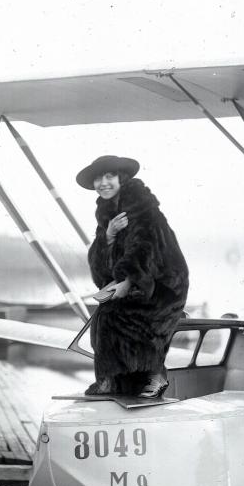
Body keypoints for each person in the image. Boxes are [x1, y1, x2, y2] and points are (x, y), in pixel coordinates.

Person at [76, 155, 189, 398]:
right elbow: (101, 271)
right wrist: (108, 236)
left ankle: (156, 375)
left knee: (119, 318)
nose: (103, 183)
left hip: (164, 285)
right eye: (98, 178)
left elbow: (147, 250)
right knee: (104, 317)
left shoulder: (143, 209)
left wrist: (129, 282)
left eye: (109, 176)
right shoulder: (107, 215)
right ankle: (115, 381)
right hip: (139, 283)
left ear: (121, 178)